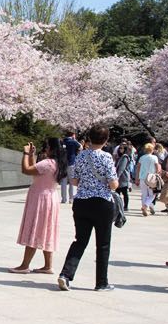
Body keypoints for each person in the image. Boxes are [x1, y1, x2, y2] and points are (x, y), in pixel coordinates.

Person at [57, 125, 120, 292]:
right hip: (102, 203)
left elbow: (75, 181)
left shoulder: (81, 156)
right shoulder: (106, 157)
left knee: (80, 240)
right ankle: (101, 282)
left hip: (82, 202)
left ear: (89, 139)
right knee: (103, 244)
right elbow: (113, 184)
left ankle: (65, 274)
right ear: (106, 140)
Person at [10, 139, 61, 274]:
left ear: (50, 148)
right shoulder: (57, 163)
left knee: (35, 227)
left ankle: (24, 265)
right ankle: (48, 265)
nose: (45, 149)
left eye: (46, 146)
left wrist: (26, 154)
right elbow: (35, 171)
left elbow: (26, 170)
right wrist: (32, 155)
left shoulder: (47, 163)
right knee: (47, 230)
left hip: (40, 198)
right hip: (51, 198)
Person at [136, 140, 160, 216]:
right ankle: (146, 206)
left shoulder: (142, 157)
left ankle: (146, 208)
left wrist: (137, 178)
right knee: (152, 194)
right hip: (151, 178)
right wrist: (157, 175)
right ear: (152, 150)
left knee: (144, 194)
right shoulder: (154, 157)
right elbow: (157, 168)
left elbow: (138, 168)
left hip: (142, 177)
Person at [60, 129, 80, 204]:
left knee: (63, 181)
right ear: (73, 135)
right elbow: (80, 147)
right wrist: (75, 140)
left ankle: (63, 199)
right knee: (71, 181)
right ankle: (71, 199)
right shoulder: (73, 141)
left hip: (63, 163)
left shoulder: (62, 141)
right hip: (71, 162)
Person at [114, 142, 134, 212]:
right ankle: (118, 206)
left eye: (122, 148)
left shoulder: (125, 157)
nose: (120, 149)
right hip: (120, 177)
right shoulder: (120, 157)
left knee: (124, 192)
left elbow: (122, 168)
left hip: (123, 177)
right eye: (119, 148)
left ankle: (125, 206)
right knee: (118, 193)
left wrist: (117, 176)